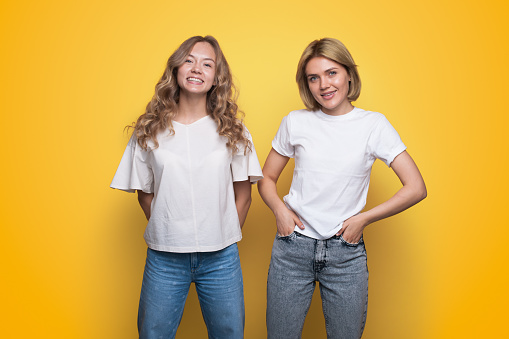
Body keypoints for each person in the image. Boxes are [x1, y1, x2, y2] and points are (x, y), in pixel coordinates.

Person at [258, 38, 427, 339]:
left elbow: (415, 187)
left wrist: (363, 219)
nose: (324, 84)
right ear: (307, 84)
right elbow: (266, 178)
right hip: (292, 248)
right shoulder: (295, 122)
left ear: (349, 74)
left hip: (345, 254)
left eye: (332, 73)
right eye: (314, 77)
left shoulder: (374, 125)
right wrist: (280, 212)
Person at [110, 35, 262, 339]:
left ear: (217, 76)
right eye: (189, 60)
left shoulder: (233, 131)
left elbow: (243, 196)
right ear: (176, 69)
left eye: (207, 64)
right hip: (165, 257)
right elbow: (145, 192)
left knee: (230, 334)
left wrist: (222, 235)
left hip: (221, 258)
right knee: (152, 334)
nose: (197, 69)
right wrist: (169, 229)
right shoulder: (149, 129)